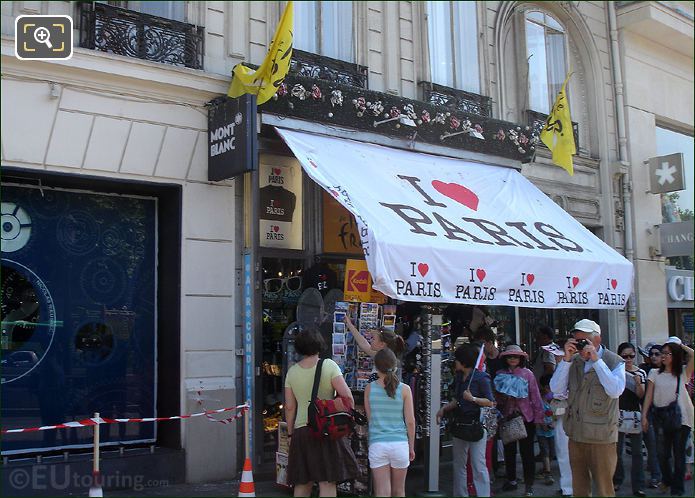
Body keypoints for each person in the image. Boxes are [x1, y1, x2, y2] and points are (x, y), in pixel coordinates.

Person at [550, 319, 625, 497]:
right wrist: (566, 360)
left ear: (597, 339)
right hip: (576, 435)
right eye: (577, 340)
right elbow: (556, 390)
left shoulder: (613, 361)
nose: (580, 345)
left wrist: (596, 361)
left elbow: (615, 391)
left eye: (584, 340)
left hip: (601, 437)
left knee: (604, 488)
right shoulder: (574, 362)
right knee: (580, 489)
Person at [284, 329, 358, 497]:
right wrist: (348, 421)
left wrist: (290, 434)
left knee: (303, 482)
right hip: (326, 429)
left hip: (301, 431)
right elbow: (347, 396)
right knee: (327, 481)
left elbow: (289, 407)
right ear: (319, 344)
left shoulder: (292, 372)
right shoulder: (329, 365)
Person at [436, 343, 495, 497]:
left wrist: (473, 398)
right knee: (459, 464)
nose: (454, 362)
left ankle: (483, 494)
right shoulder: (459, 377)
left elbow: (490, 401)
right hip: (460, 423)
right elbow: (457, 400)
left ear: (463, 361)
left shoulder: (481, 378)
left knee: (478, 464)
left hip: (475, 425)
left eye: (457, 359)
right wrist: (444, 409)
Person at [641, 338, 694, 497]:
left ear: (675, 355)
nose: (663, 356)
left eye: (666, 353)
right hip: (661, 417)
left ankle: (677, 490)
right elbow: (648, 396)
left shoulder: (682, 372)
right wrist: (644, 416)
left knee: (678, 455)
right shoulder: (654, 373)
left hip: (682, 418)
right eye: (661, 353)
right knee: (662, 454)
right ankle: (667, 480)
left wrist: (680, 346)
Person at [365, 348, 416, 497]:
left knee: (382, 491)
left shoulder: (369, 389)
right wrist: (411, 447)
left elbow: (370, 420)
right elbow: (410, 422)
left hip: (377, 443)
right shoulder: (405, 389)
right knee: (399, 491)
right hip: (400, 444)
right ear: (395, 365)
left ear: (376, 366)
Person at [495, 344, 544, 496]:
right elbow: (496, 398)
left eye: (515, 357)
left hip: (526, 418)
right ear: (505, 359)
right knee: (509, 452)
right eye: (510, 357)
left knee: (527, 453)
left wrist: (539, 418)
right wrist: (503, 397)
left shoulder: (527, 374)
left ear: (521, 358)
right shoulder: (500, 374)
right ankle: (511, 480)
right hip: (507, 417)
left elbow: (535, 397)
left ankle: (529, 484)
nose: (513, 359)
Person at [613, 342, 647, 497]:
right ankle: (617, 480)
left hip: (635, 415)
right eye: (624, 356)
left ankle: (638, 485)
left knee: (637, 453)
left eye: (631, 356)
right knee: (616, 451)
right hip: (618, 414)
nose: (628, 359)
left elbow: (641, 396)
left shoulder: (640, 373)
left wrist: (638, 383)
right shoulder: (615, 372)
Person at [344, 315, 405, 381]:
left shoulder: (389, 362)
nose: (370, 340)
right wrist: (349, 324)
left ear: (382, 344)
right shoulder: (380, 355)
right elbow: (363, 344)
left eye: (373, 339)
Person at [638, 342, 663, 488]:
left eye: (657, 354)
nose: (653, 357)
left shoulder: (669, 372)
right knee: (652, 446)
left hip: (665, 414)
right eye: (651, 354)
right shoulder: (644, 371)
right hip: (648, 413)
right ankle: (656, 476)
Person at [536, 374, 556, 486]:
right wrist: (542, 423)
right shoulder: (539, 400)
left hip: (552, 431)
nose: (549, 390)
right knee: (545, 452)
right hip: (541, 431)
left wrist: (553, 422)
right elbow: (537, 413)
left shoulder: (555, 400)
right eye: (548, 387)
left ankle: (544, 469)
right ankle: (548, 473)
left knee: (552, 452)